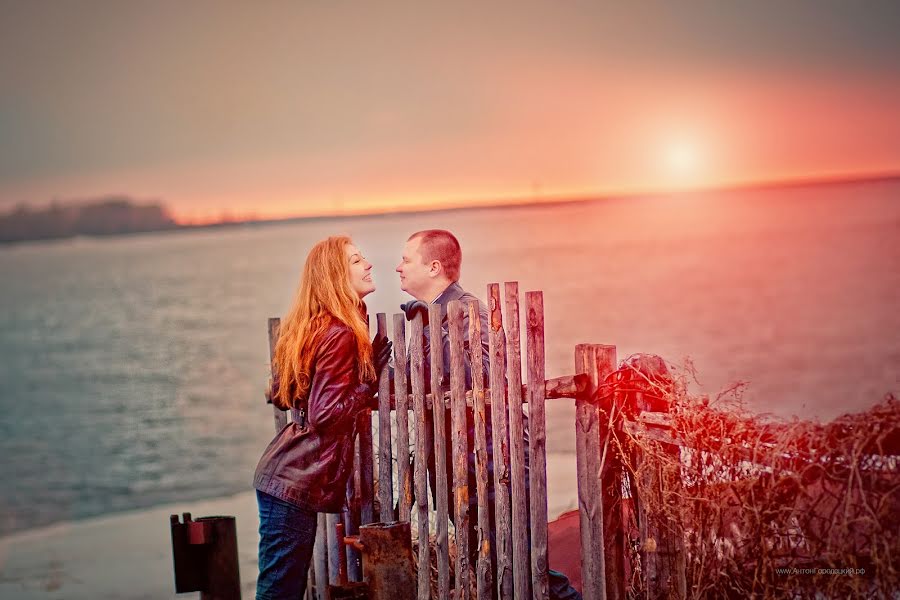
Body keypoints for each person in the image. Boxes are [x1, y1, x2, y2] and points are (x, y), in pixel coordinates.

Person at [396, 229, 581, 600]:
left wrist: (428, 323)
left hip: (497, 465)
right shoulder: (432, 315)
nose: (398, 267)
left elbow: (475, 378)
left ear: (434, 267)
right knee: (498, 567)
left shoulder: (465, 309)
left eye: (406, 259)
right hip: (467, 469)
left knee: (523, 566)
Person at [253, 236, 392, 600]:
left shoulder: (321, 325)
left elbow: (285, 395)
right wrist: (367, 388)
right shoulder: (338, 333)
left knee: (281, 586)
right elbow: (325, 415)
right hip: (293, 481)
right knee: (279, 591)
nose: (369, 264)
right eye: (357, 261)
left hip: (285, 477)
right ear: (335, 275)